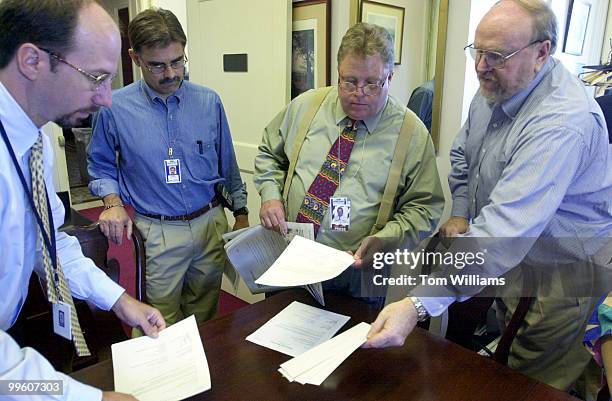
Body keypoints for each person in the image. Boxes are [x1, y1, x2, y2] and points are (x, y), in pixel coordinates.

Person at [365, 0, 612, 392]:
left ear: (542, 52)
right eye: (477, 51)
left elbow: (505, 229)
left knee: (531, 379)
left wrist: (416, 305)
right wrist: (461, 210)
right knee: (504, 358)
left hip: (563, 271)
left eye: (496, 55)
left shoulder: (563, 122)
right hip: (512, 258)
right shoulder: (497, 86)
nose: (481, 66)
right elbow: (464, 154)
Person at [0, 1, 166, 400]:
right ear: (31, 61)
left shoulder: (36, 141)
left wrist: (120, 301)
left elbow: (49, 241)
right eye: (96, 77)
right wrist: (88, 399)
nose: (106, 98)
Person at [254, 22, 444, 299]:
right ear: (338, 72)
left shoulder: (411, 133)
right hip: (289, 260)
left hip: (357, 276)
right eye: (350, 81)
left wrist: (387, 238)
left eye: (371, 83)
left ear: (390, 78)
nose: (359, 93)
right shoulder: (307, 105)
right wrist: (270, 196)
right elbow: (270, 153)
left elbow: (424, 207)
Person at [88, 8, 248, 327]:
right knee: (158, 320)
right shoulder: (113, 108)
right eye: (157, 65)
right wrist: (113, 203)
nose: (171, 73)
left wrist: (241, 213)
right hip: (159, 230)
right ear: (135, 58)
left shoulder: (208, 101)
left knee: (205, 315)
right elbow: (100, 165)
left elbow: (227, 162)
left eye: (177, 61)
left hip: (210, 223)